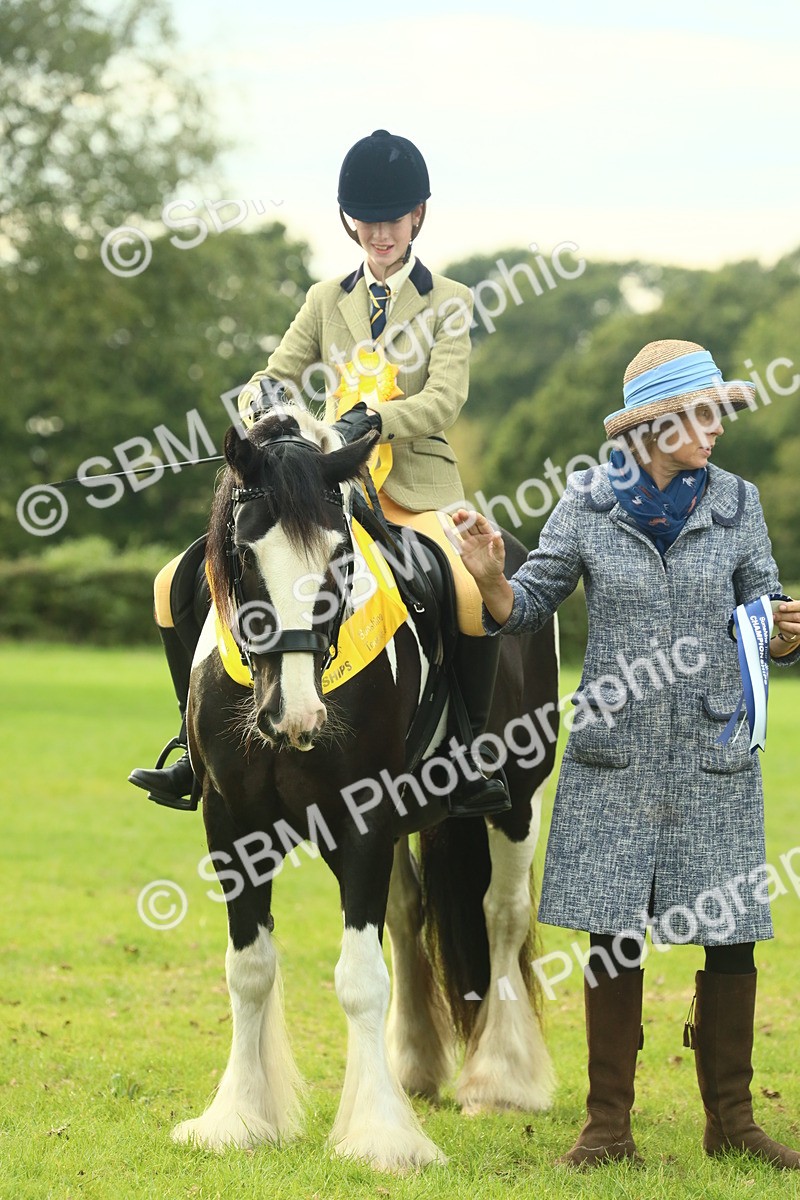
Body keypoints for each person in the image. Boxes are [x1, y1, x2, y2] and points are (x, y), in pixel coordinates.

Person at [449, 338, 800, 1168]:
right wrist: (494, 576)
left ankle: (734, 1123)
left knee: (730, 933)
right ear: (657, 426)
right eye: (704, 415)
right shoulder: (585, 505)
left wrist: (785, 633)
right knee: (614, 933)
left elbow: (764, 603)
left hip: (714, 749)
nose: (718, 429)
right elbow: (525, 610)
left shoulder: (739, 503)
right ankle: (608, 1126)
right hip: (616, 754)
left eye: (720, 413)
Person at [130, 129, 508, 817]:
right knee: (171, 584)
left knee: (463, 590)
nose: (379, 233)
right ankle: (193, 748)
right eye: (366, 219)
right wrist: (263, 406)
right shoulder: (324, 297)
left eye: (392, 219)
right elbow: (268, 377)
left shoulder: (449, 300)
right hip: (323, 493)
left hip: (414, 489)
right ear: (349, 220)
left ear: (417, 217)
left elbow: (445, 398)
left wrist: (377, 420)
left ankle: (468, 753)